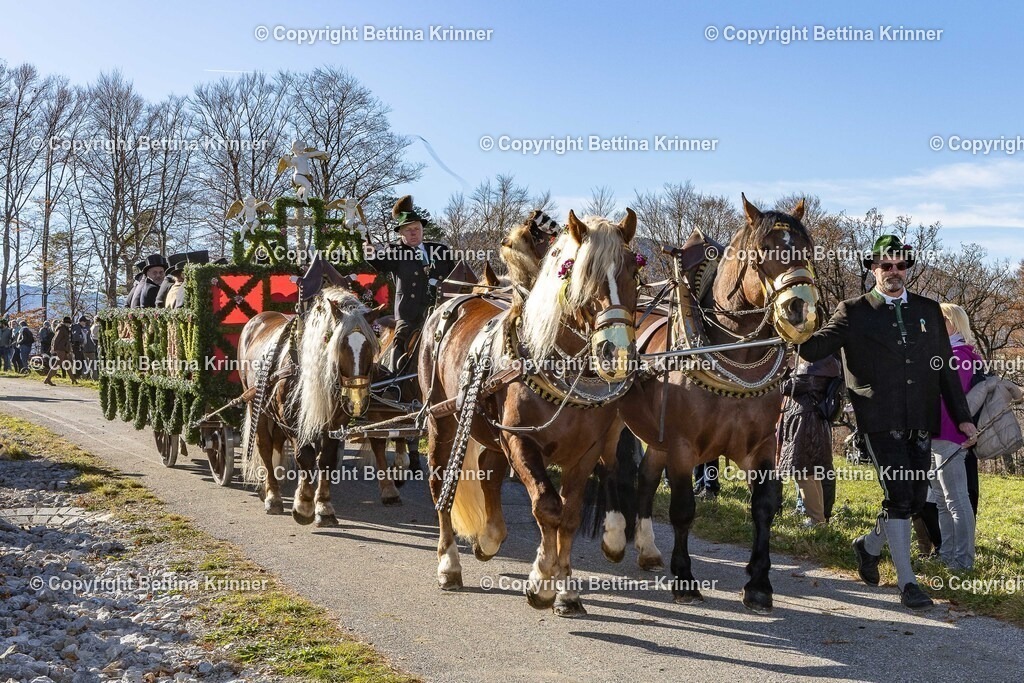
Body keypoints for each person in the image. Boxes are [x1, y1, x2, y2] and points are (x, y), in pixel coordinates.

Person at [797, 235, 977, 611]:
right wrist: (796, 322)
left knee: (913, 499)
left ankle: (868, 545)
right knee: (899, 495)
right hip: (878, 420)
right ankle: (907, 583)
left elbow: (944, 369)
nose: (894, 272)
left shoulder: (928, 310)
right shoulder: (853, 311)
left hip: (921, 419)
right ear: (873, 268)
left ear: (907, 268)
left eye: (901, 265)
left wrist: (962, 419)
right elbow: (813, 347)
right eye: (886, 265)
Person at [369, 195, 454, 373]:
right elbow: (378, 263)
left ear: (423, 229)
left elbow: (454, 279)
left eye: (416, 228)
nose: (413, 233)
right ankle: (394, 382)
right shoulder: (395, 251)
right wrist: (367, 250)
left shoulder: (440, 251)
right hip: (409, 314)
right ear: (401, 233)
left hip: (440, 310)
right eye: (408, 230)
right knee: (401, 336)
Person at [928, 303, 981, 570]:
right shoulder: (948, 353)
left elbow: (952, 398)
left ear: (952, 323)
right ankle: (946, 555)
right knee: (941, 500)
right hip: (936, 435)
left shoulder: (959, 355)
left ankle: (963, 562)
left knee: (956, 499)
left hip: (949, 434)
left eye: (939, 320)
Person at [777, 354, 843, 526]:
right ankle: (819, 517)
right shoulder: (828, 366)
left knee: (803, 474)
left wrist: (788, 368)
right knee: (812, 474)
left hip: (805, 425)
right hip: (813, 423)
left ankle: (816, 519)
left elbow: (786, 387)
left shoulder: (812, 371)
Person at [44, 316, 76, 386]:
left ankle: (73, 380)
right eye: (68, 323)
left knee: (67, 364)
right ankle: (48, 379)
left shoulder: (63, 328)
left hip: (63, 349)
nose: (69, 324)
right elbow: (56, 339)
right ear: (65, 323)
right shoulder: (62, 329)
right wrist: (54, 349)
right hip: (61, 349)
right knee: (57, 364)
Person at [79, 316, 98, 380]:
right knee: (93, 365)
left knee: (86, 364)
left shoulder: (82, 329)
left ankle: (83, 376)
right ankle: (94, 378)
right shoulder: (91, 329)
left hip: (84, 349)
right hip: (92, 349)